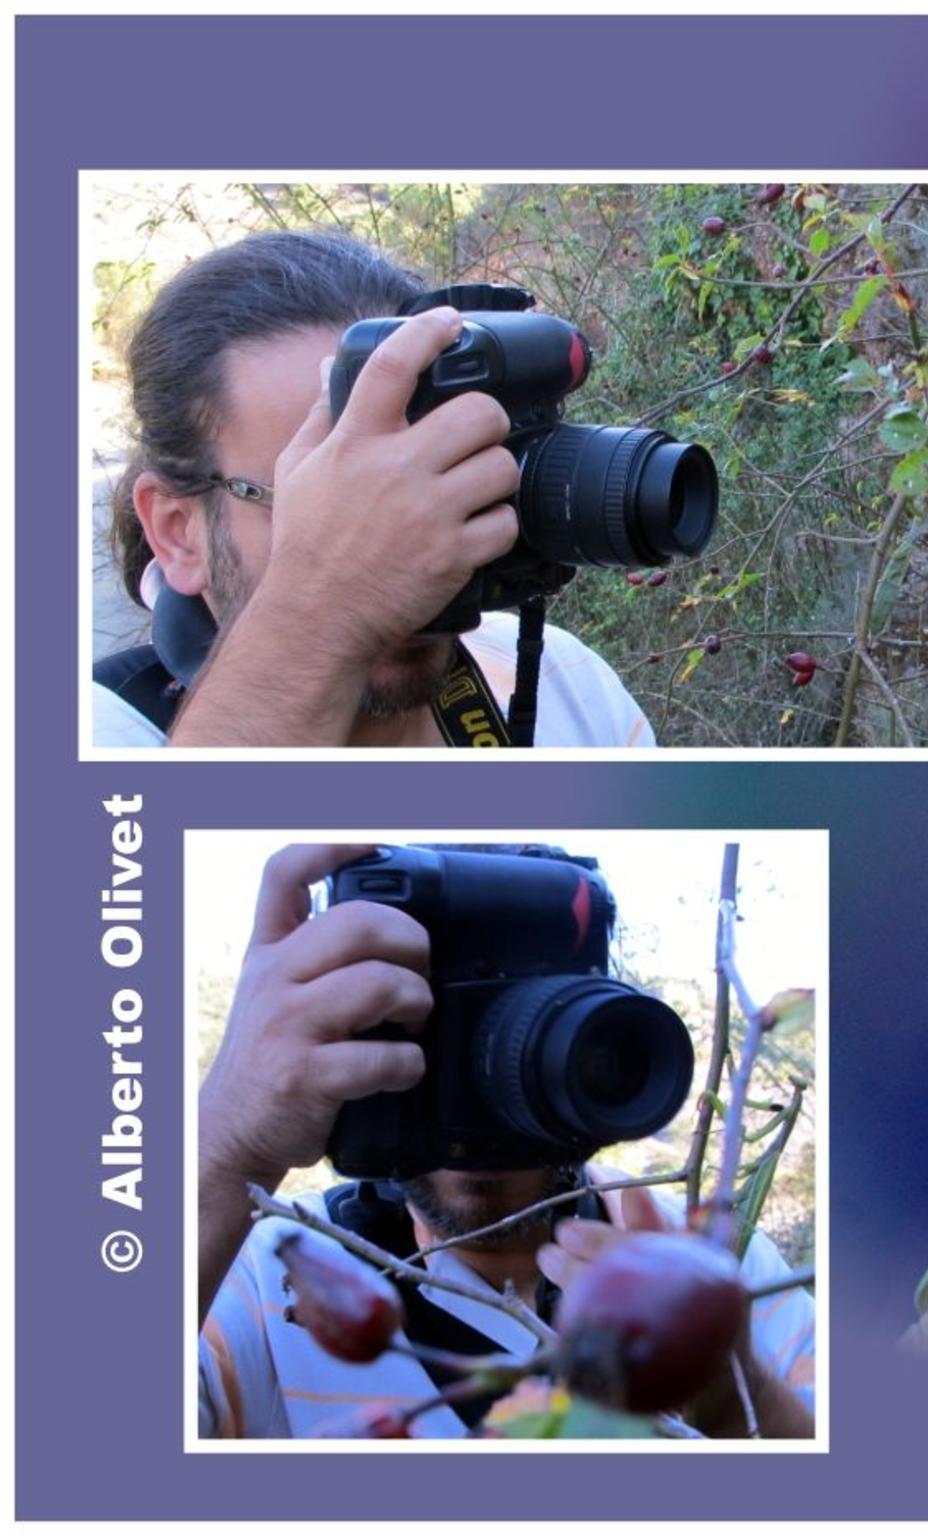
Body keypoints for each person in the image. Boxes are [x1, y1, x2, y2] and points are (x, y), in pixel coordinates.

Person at [196, 845, 815, 1438]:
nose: (476, 1101)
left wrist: (735, 1401)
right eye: (429, 1047)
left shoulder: (719, 1266)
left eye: (526, 1048)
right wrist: (226, 1149)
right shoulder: (263, 1272)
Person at [96, 231, 653, 748]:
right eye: (323, 495)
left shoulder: (562, 680)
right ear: (177, 534)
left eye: (427, 470)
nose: (405, 534)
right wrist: (329, 612)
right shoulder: (97, 734)